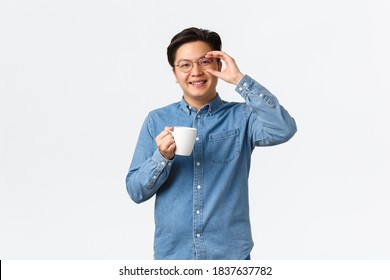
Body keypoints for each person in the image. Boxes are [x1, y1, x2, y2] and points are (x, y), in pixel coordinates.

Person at [125, 27, 297, 260]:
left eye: (204, 62)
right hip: (174, 259)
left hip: (230, 258)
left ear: (217, 66)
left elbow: (283, 129)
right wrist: (162, 158)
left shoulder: (242, 117)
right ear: (175, 74)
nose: (195, 72)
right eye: (185, 65)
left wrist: (239, 80)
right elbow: (136, 191)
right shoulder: (157, 120)